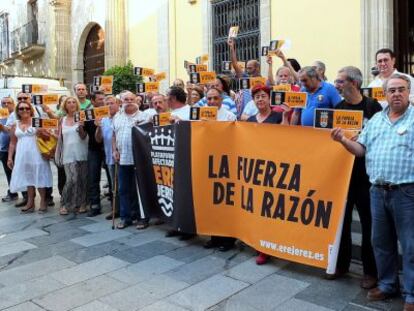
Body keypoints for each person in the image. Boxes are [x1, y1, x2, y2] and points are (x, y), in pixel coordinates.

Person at [331, 74, 414, 310]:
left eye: (401, 89)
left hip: (406, 192)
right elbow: (360, 149)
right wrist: (343, 141)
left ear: (408, 92)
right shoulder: (377, 118)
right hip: (377, 191)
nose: (396, 93)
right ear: (385, 94)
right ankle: (388, 284)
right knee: (381, 241)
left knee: (410, 245)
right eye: (392, 90)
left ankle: (411, 294)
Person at [326, 66, 381, 289]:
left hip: (366, 175)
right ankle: (341, 264)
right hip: (344, 176)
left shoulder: (372, 106)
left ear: (354, 83)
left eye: (340, 81)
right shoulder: (338, 107)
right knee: (342, 222)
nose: (336, 85)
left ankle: (371, 272)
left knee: (369, 225)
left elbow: (379, 135)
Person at [245, 85, 289, 264]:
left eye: (263, 96)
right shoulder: (248, 120)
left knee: (271, 209)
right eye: (257, 97)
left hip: (274, 169)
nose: (260, 99)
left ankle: (273, 244)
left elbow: (287, 138)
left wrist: (286, 117)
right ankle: (260, 246)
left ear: (270, 98)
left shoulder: (278, 116)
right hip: (255, 170)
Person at [202, 87, 237, 251]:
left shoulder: (229, 116)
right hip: (207, 162)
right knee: (210, 202)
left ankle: (228, 240)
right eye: (209, 99)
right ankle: (214, 237)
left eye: (215, 98)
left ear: (221, 99)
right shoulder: (201, 114)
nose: (211, 102)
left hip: (225, 163)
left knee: (225, 202)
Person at [7, 101, 53, 213]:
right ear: (17, 111)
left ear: (31, 109)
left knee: (40, 176)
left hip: (37, 153)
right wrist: (9, 158)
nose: (24, 110)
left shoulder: (37, 121)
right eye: (21, 109)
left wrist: (41, 132)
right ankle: (30, 202)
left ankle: (43, 201)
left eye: (27, 108)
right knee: (28, 178)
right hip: (22, 155)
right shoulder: (15, 124)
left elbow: (49, 137)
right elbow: (12, 143)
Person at [112, 91, 148, 229]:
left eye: (131, 99)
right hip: (122, 159)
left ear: (136, 100)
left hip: (138, 159)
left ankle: (141, 218)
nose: (129, 101)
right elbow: (114, 136)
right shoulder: (117, 116)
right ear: (121, 101)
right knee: (123, 190)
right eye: (126, 99)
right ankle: (125, 218)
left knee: (139, 190)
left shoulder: (144, 116)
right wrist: (114, 150)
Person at [59, 97, 88, 215]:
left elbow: (83, 136)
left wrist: (81, 126)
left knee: (82, 179)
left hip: (82, 151)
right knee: (71, 179)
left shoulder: (83, 117)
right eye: (69, 102)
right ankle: (64, 203)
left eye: (73, 102)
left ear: (77, 105)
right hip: (68, 153)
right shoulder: (62, 120)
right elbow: (59, 138)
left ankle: (82, 203)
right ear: (65, 106)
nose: (71, 104)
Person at [95, 96, 121, 220]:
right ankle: (115, 209)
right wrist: (99, 127)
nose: (110, 105)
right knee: (113, 185)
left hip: (123, 156)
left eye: (112, 103)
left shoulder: (121, 117)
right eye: (107, 104)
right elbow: (98, 139)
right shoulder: (103, 119)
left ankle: (128, 209)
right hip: (109, 156)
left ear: (117, 104)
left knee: (123, 185)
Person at [83, 91, 106, 216]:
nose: (102, 101)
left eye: (103, 98)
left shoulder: (109, 112)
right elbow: (83, 135)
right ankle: (95, 205)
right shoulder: (87, 114)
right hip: (93, 149)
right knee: (93, 178)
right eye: (99, 99)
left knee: (111, 177)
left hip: (107, 149)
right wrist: (80, 127)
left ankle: (116, 206)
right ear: (92, 101)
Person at [228, 37, 261, 118]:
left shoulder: (263, 81)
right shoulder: (246, 78)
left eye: (250, 68)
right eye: (247, 68)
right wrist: (232, 48)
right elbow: (235, 65)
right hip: (244, 115)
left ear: (257, 68)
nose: (247, 70)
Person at [0, 97, 18, 202]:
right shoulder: (1, 115)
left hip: (15, 148)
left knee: (19, 171)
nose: (6, 104)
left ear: (13, 104)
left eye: (8, 102)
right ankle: (12, 193)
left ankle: (26, 195)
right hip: (3, 148)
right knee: (8, 172)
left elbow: (8, 130)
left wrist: (1, 126)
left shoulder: (16, 115)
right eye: (3, 103)